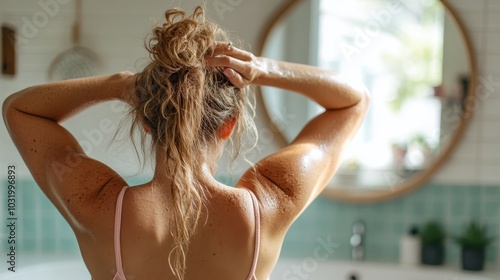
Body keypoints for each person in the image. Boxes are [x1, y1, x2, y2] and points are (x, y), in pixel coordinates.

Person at [2, 6, 369, 280]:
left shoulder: (97, 205)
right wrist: (262, 69)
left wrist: (120, 84)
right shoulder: (270, 203)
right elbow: (353, 102)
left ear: (146, 122)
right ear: (230, 125)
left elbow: (20, 109)